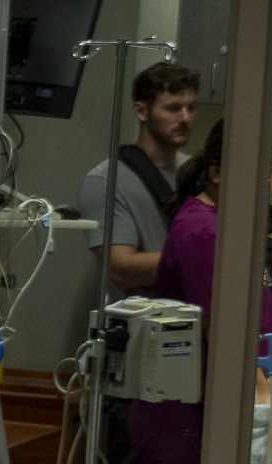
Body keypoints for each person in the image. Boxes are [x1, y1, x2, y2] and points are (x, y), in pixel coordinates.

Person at [131, 119, 272, 464]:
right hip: (189, 416)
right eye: (256, 172)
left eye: (271, 171)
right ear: (216, 173)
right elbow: (224, 331)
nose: (267, 183)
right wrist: (263, 404)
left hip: (207, 408)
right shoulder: (206, 233)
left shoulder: (229, 227)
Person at [78, 62, 198, 298]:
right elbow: (121, 271)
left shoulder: (198, 171)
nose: (185, 118)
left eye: (191, 108)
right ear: (141, 111)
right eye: (173, 108)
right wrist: (200, 256)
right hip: (142, 324)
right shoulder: (105, 181)